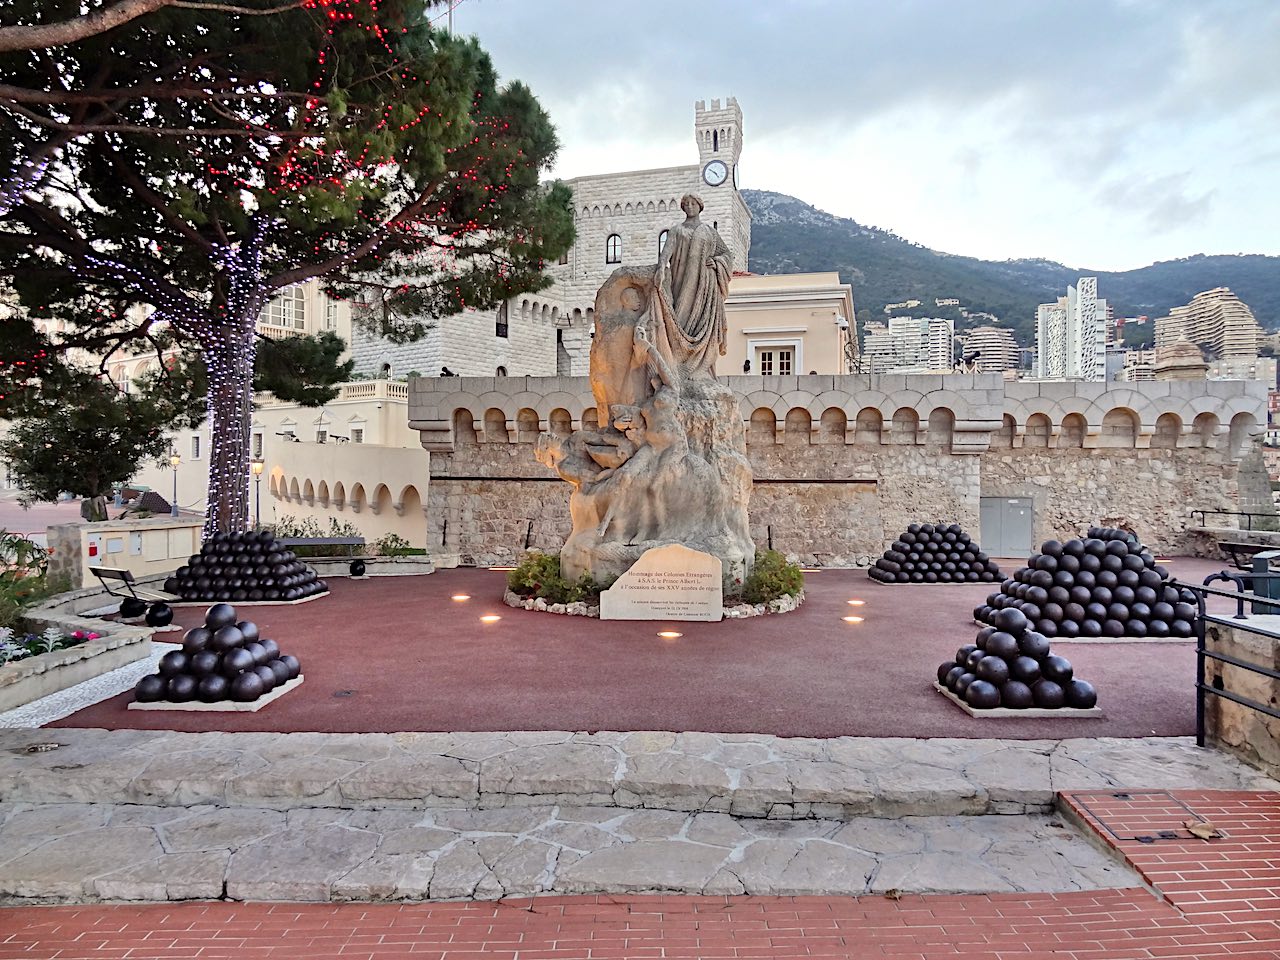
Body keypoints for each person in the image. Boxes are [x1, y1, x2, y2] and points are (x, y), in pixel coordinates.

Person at [654, 194, 732, 378]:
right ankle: (677, 364)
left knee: (703, 321)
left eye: (693, 203)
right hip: (681, 283)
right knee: (679, 317)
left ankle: (702, 368)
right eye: (686, 204)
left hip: (705, 286)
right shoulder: (676, 230)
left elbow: (727, 254)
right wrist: (660, 269)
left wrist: (717, 262)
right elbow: (665, 254)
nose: (689, 206)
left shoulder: (709, 232)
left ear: (699, 206)